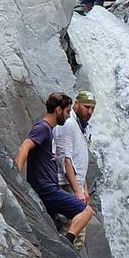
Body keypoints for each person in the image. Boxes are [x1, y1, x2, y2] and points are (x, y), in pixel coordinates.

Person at [15, 92, 94, 243]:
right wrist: (15, 175)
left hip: (50, 187)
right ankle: (67, 243)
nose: (68, 116)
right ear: (58, 110)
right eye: (67, 112)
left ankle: (62, 246)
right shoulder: (43, 128)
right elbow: (24, 147)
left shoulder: (49, 130)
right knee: (86, 211)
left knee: (50, 232)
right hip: (47, 189)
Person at [53, 90, 97, 245]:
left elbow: (78, 160)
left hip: (76, 186)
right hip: (67, 185)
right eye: (86, 107)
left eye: (92, 108)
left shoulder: (79, 126)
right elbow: (65, 159)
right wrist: (77, 190)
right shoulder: (68, 123)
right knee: (70, 231)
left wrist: (84, 188)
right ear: (76, 104)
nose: (89, 111)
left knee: (78, 235)